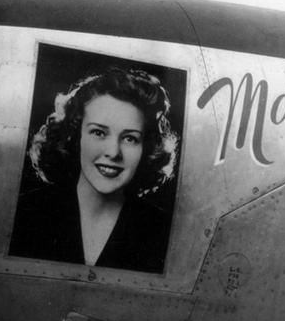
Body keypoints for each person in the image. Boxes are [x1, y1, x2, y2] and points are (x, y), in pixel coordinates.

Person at [9, 67, 179, 273]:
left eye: (130, 138)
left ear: (147, 148)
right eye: (99, 132)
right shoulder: (26, 213)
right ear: (74, 135)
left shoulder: (163, 231)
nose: (113, 152)